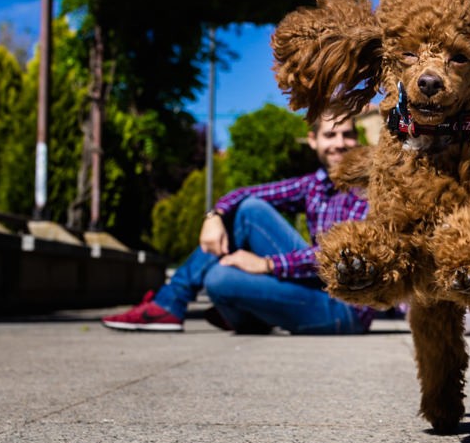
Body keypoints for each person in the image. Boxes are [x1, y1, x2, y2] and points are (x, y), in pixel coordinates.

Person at [102, 112, 371, 334]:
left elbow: (348, 256)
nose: (339, 142)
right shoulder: (313, 185)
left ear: (356, 140)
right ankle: (172, 302)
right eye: (330, 134)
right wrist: (215, 216)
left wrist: (267, 264)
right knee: (247, 210)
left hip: (346, 306)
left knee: (220, 279)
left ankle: (241, 310)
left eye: (347, 134)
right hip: (316, 286)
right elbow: (244, 194)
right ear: (313, 140)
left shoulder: (367, 187)